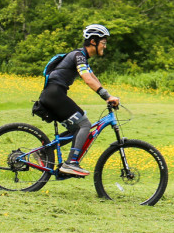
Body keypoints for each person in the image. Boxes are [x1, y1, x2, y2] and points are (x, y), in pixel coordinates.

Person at [39, 23, 121, 177]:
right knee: (85, 124)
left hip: (53, 94)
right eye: (103, 43)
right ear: (93, 42)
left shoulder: (82, 58)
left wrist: (108, 96)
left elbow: (93, 78)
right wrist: (107, 96)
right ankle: (70, 163)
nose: (105, 46)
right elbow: (87, 79)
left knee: (77, 128)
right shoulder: (79, 55)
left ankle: (44, 152)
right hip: (54, 94)